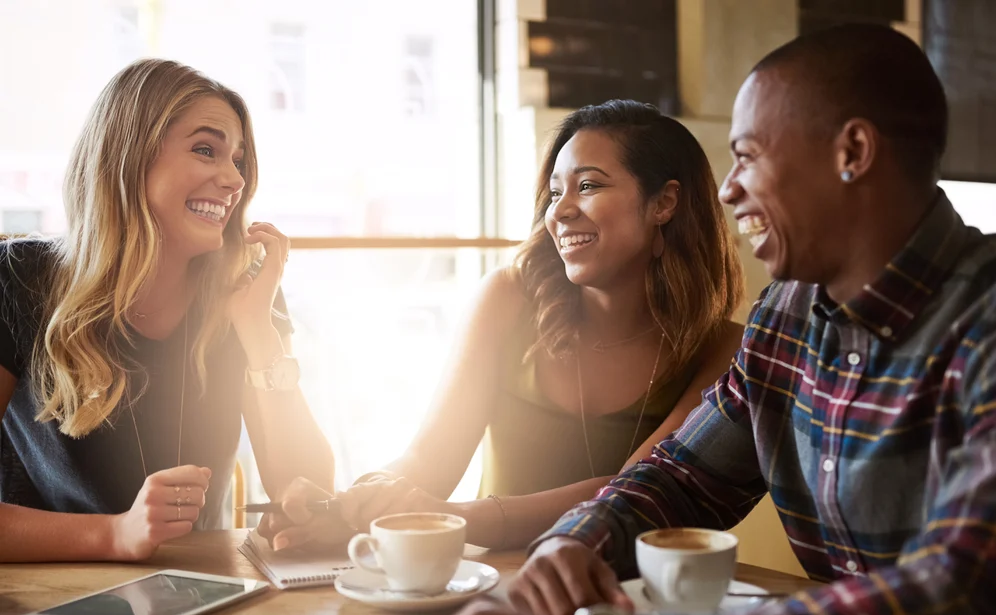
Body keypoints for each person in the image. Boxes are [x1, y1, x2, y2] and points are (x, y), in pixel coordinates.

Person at [425, 24, 996, 615]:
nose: (728, 190)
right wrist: (574, 543)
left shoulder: (988, 321)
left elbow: (965, 606)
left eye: (748, 156)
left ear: (852, 152)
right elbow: (682, 479)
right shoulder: (785, 317)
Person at [263, 100, 744, 552]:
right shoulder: (508, 300)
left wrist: (454, 518)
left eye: (589, 186)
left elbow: (634, 493)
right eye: (555, 192)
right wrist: (351, 505)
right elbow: (429, 463)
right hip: (496, 595)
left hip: (635, 605)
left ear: (664, 203)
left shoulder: (725, 349)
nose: (560, 209)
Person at [0, 59, 335, 562]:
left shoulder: (246, 293)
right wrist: (115, 534)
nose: (234, 180)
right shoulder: (19, 281)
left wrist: (257, 331)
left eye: (238, 162)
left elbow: (310, 489)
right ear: (128, 157)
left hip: (204, 602)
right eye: (206, 150)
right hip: (51, 605)